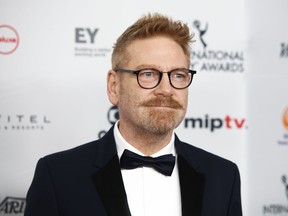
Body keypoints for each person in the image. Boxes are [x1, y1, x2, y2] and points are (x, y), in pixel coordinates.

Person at [24, 13, 242, 216]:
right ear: (114, 86)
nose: (166, 89)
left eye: (178, 75)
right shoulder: (58, 176)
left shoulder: (223, 177)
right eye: (148, 74)